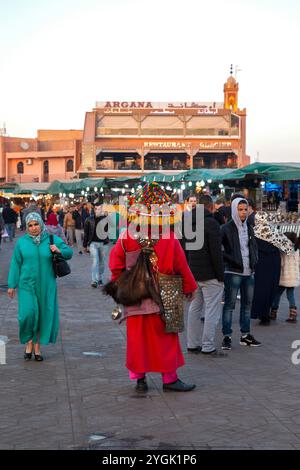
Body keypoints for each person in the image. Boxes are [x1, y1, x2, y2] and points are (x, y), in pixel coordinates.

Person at [108, 182, 198, 393]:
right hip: (166, 292)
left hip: (135, 295)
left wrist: (122, 287)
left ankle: (139, 378)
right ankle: (169, 379)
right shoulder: (169, 237)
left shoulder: (126, 237)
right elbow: (181, 266)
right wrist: (189, 287)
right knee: (166, 339)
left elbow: (115, 265)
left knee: (137, 339)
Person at [7, 212, 73, 361]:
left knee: (43, 315)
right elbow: (15, 264)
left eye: (36, 224)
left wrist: (59, 250)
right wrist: (12, 285)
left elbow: (69, 252)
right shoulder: (22, 242)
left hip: (46, 285)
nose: (33, 228)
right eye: (30, 225)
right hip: (26, 285)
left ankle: (36, 347)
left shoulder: (51, 239)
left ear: (41, 224)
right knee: (27, 315)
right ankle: (28, 341)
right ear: (26, 227)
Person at [183, 194, 225, 356]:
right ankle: (208, 345)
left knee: (195, 308)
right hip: (210, 274)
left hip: (194, 271)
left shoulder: (188, 222)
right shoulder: (211, 223)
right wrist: (220, 276)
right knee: (212, 309)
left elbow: (185, 249)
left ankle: (192, 343)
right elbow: (216, 253)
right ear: (210, 206)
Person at [221, 197, 261, 350]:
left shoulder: (248, 227)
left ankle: (245, 335)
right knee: (229, 306)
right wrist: (232, 260)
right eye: (240, 209)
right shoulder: (226, 228)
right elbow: (220, 250)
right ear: (234, 210)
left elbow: (253, 247)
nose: (243, 212)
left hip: (249, 272)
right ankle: (227, 336)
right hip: (233, 272)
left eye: (245, 209)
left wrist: (254, 260)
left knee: (247, 306)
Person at [251, 212, 294, 325]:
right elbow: (289, 246)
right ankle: (267, 314)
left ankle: (260, 314)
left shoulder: (252, 231)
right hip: (273, 263)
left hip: (259, 264)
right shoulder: (274, 231)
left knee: (259, 288)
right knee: (270, 288)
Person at [270, 232, 300, 323]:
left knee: (277, 294)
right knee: (290, 295)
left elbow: (281, 264)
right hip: (293, 277)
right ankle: (293, 314)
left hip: (284, 277)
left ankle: (273, 312)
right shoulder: (296, 250)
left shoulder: (282, 251)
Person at [83, 203, 109, 287]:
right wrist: (85, 245)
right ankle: (94, 280)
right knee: (95, 261)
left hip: (103, 244)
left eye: (100, 209)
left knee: (102, 263)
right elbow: (86, 233)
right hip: (93, 243)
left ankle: (100, 278)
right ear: (94, 209)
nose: (98, 210)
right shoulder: (88, 219)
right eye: (97, 208)